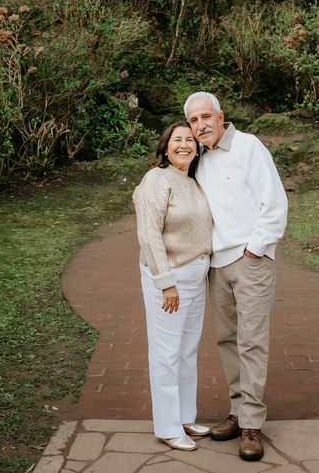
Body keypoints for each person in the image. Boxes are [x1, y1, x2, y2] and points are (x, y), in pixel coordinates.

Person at [184, 92, 288, 462]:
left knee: (252, 342)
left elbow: (273, 203)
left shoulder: (248, 146)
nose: (200, 125)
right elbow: (170, 176)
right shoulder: (199, 157)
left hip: (249, 262)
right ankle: (237, 411)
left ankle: (252, 425)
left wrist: (255, 249)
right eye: (193, 120)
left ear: (220, 115)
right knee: (227, 340)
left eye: (205, 116)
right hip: (216, 266)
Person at [134, 121, 215, 451]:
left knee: (187, 350)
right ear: (165, 148)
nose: (184, 145)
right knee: (166, 353)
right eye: (177, 140)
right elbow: (149, 233)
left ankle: (184, 417)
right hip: (170, 280)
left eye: (190, 140)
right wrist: (165, 283)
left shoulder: (193, 182)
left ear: (197, 148)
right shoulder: (156, 179)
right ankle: (168, 427)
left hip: (196, 278)